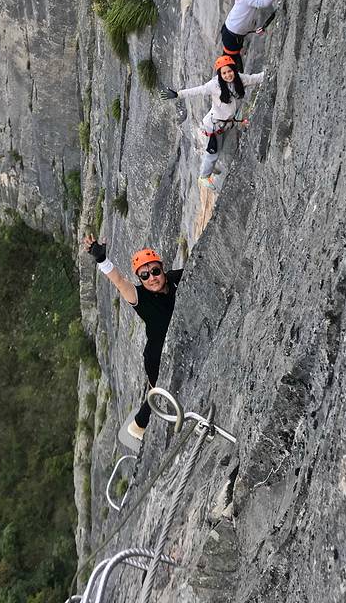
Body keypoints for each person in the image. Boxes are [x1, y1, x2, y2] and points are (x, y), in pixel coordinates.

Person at [84, 235, 184, 442]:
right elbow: (120, 282)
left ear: (162, 269)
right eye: (145, 276)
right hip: (156, 357)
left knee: (155, 390)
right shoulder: (140, 297)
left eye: (155, 271)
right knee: (160, 391)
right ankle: (139, 426)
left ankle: (137, 425)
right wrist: (103, 260)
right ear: (140, 280)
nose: (152, 278)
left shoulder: (175, 278)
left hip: (173, 345)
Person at [160, 55, 263, 190]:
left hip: (227, 122)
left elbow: (256, 78)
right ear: (220, 74)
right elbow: (197, 90)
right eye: (224, 73)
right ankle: (204, 176)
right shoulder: (214, 85)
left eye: (229, 71)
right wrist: (178, 94)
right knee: (213, 152)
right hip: (214, 125)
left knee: (217, 149)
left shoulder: (240, 79)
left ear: (234, 69)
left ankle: (209, 165)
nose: (227, 75)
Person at [221, 0, 283, 71]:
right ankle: (230, 81)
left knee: (233, 58)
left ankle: (236, 78)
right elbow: (263, 3)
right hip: (232, 35)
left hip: (231, 32)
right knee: (230, 62)